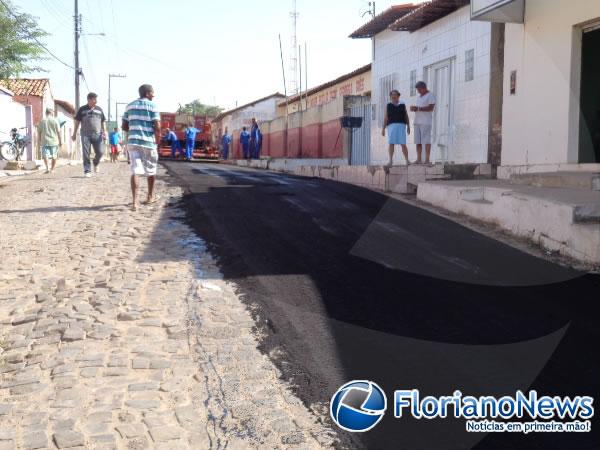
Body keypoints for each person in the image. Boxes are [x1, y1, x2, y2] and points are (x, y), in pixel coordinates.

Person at [122, 84, 161, 211]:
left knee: (135, 171)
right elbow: (158, 126)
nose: (153, 96)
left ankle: (135, 202)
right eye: (152, 93)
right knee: (151, 169)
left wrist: (133, 130)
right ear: (147, 93)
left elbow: (124, 126)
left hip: (133, 142)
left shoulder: (129, 106)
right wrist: (157, 141)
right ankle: (150, 196)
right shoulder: (153, 106)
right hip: (148, 142)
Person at [72, 92, 107, 177]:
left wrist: (105, 132)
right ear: (89, 100)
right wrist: (74, 133)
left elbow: (103, 121)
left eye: (96, 99)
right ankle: (87, 170)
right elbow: (77, 122)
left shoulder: (99, 109)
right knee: (86, 153)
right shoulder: (82, 109)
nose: (96, 101)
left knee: (100, 151)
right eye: (94, 99)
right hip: (85, 134)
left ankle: (95, 162)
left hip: (97, 134)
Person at [382, 90, 411, 167]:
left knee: (403, 144)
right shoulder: (388, 105)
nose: (393, 96)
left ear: (398, 96)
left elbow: (406, 116)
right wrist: (383, 129)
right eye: (392, 94)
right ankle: (390, 161)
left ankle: (407, 160)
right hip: (391, 126)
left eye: (395, 94)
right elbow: (386, 117)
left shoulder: (402, 105)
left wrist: (408, 126)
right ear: (390, 96)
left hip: (401, 125)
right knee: (391, 143)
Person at [410, 81, 436, 165]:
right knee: (418, 141)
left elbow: (431, 108)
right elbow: (419, 108)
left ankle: (427, 160)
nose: (418, 91)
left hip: (425, 122)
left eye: (419, 89)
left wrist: (418, 108)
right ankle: (418, 159)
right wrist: (415, 109)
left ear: (424, 88)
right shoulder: (419, 97)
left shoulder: (430, 95)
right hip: (417, 121)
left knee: (426, 141)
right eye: (417, 89)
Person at [37, 107, 62, 174]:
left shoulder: (42, 121)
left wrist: (39, 141)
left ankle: (47, 168)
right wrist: (60, 141)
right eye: (53, 112)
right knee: (54, 155)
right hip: (54, 141)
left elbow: (39, 132)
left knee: (45, 155)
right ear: (51, 112)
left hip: (44, 141)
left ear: (46, 113)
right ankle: (52, 169)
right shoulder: (55, 121)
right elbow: (59, 132)